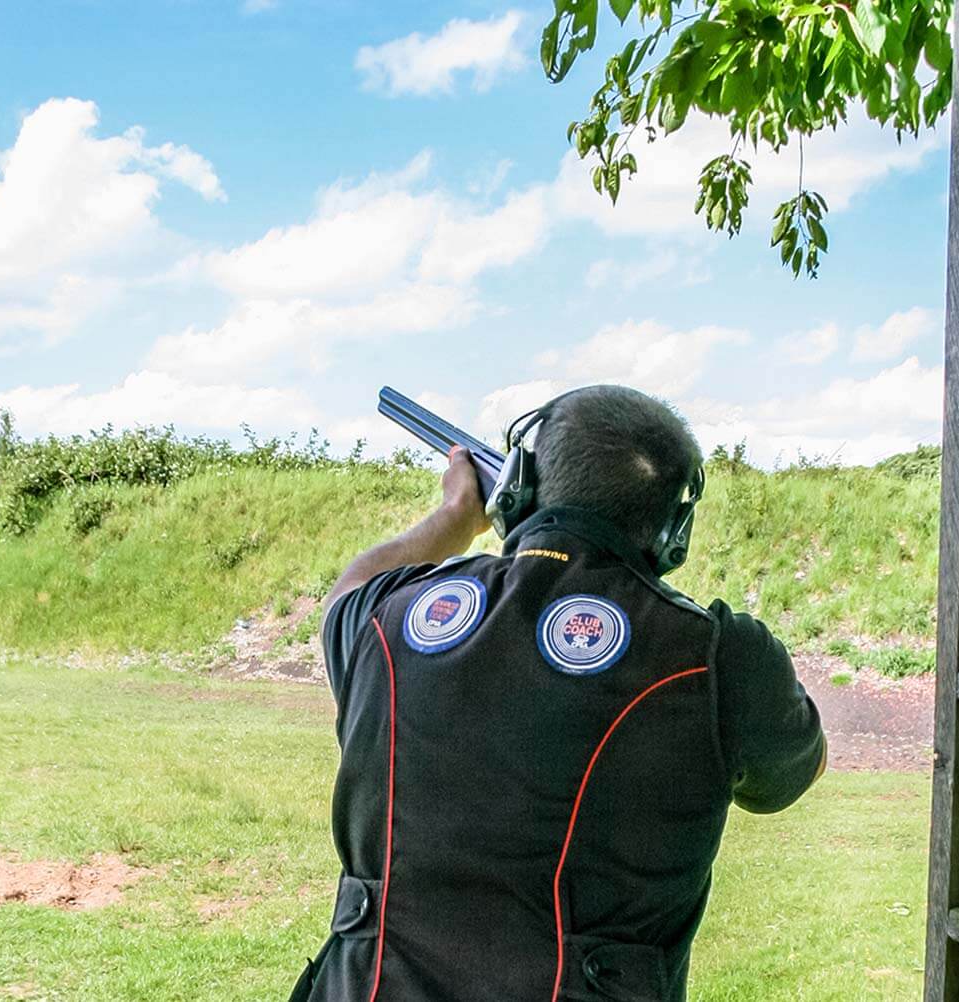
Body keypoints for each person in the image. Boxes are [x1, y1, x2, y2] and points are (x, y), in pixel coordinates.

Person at [290, 385, 826, 1002]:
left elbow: (348, 592)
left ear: (517, 487)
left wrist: (454, 518)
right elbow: (786, 777)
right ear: (676, 529)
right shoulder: (720, 656)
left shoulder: (388, 617)